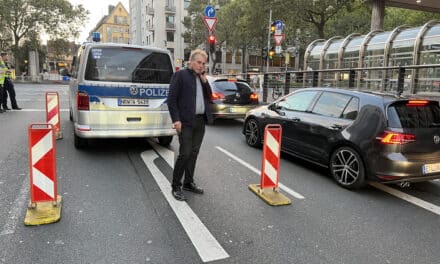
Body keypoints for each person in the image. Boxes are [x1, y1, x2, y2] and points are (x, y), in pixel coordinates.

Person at [167, 49, 213, 201]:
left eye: (203, 63)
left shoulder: (202, 78)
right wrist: (176, 120)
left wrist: (205, 81)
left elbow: (209, 97)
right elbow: (172, 99)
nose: (201, 66)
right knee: (185, 153)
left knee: (194, 153)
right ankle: (175, 185)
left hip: (200, 121)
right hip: (185, 122)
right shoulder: (180, 75)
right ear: (191, 61)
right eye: (199, 62)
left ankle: (188, 182)